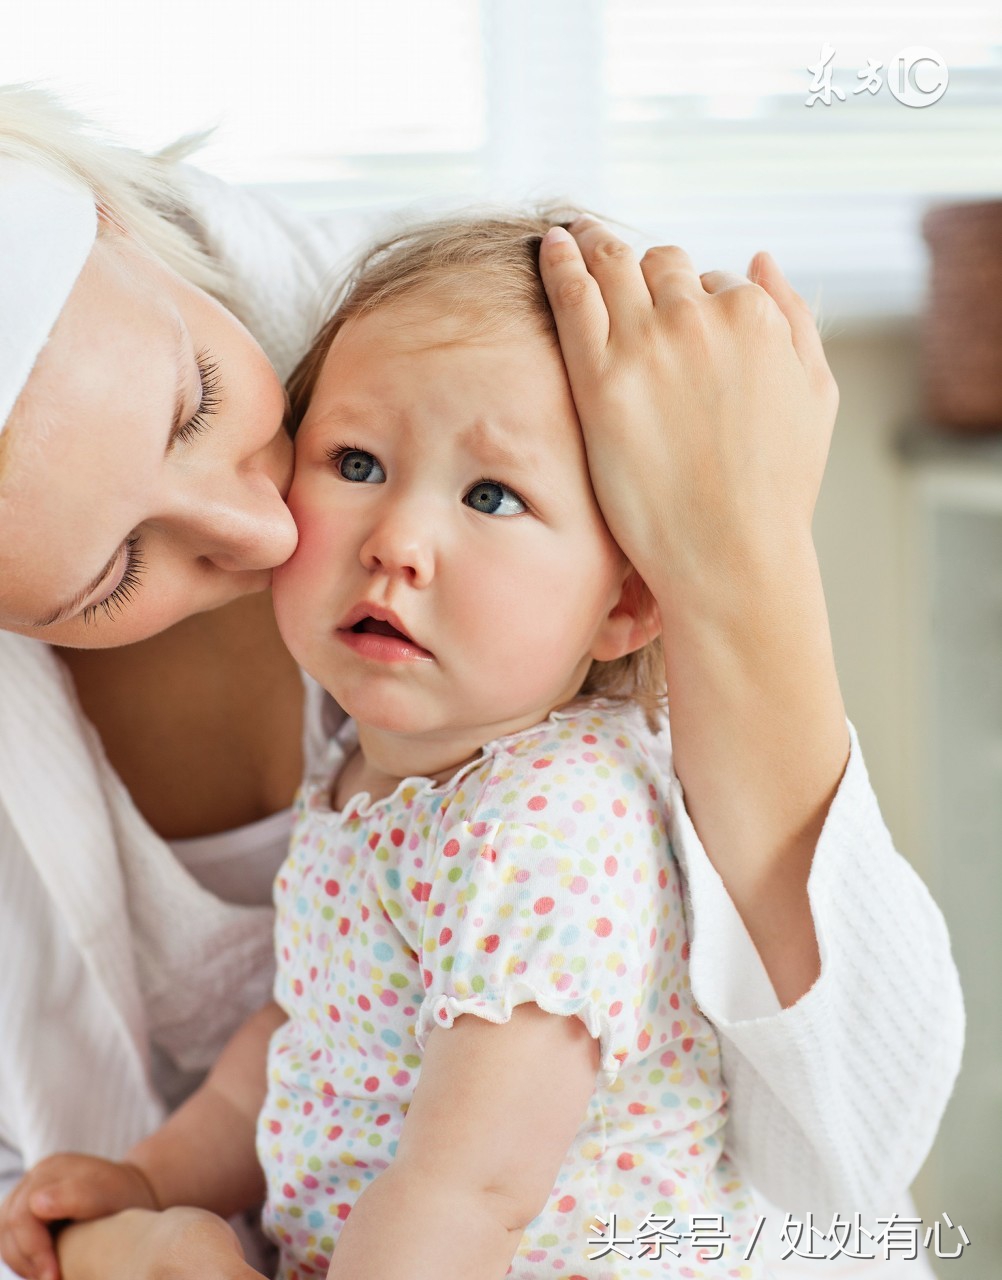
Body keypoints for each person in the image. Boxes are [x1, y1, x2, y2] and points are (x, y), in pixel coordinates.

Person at [0, 86, 961, 1280]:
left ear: (625, 600)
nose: (262, 531)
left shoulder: (550, 823)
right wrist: (151, 1180)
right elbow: (303, 1034)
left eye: (491, 498)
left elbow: (476, 1181)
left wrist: (742, 554)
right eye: (354, 463)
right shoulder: (364, 772)